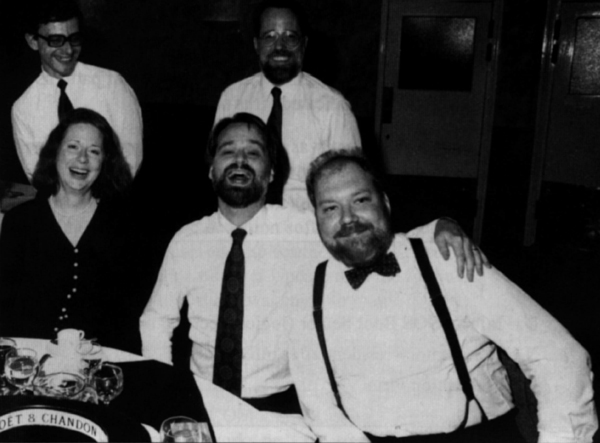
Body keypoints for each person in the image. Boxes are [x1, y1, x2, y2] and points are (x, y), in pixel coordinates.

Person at [140, 113, 488, 415]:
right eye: (227, 151)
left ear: (273, 172)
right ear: (211, 170)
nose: (240, 160)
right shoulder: (187, 240)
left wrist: (440, 226)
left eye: (254, 153)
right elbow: (156, 320)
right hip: (202, 398)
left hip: (284, 404)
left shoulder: (304, 229)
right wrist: (166, 393)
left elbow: (374, 240)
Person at [289, 148, 597, 442]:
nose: (347, 219)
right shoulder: (310, 290)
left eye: (360, 200)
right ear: (316, 218)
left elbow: (559, 357)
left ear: (385, 203)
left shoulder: (446, 257)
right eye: (330, 208)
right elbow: (318, 403)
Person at [0, 108, 144, 353]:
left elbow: (130, 317)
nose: (83, 159)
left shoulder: (124, 227)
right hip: (28, 362)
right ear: (55, 152)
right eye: (73, 146)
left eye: (94, 151)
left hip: (97, 367)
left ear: (105, 162)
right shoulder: (19, 221)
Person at [214, 0, 361, 210]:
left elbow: (351, 185)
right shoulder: (232, 98)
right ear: (256, 44)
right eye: (269, 36)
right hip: (245, 223)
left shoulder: (333, 107)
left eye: (290, 37)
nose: (280, 46)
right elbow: (219, 175)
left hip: (305, 231)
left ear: (304, 43)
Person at [12, 0, 143, 181]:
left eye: (74, 39)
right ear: (33, 41)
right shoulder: (23, 108)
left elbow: (131, 158)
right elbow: (38, 176)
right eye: (55, 40)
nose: (68, 50)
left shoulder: (113, 85)